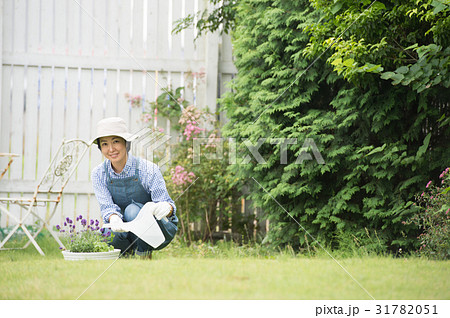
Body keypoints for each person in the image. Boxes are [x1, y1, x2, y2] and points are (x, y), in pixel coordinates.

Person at [91, 117, 177, 259]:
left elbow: (167, 203)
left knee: (132, 211)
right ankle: (126, 256)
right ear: (100, 148)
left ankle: (144, 255)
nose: (111, 149)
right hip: (124, 226)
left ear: (126, 143)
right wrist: (114, 219)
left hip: (157, 228)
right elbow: (107, 207)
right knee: (111, 232)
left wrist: (166, 208)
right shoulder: (98, 174)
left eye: (116, 141)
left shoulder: (148, 169)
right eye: (105, 144)